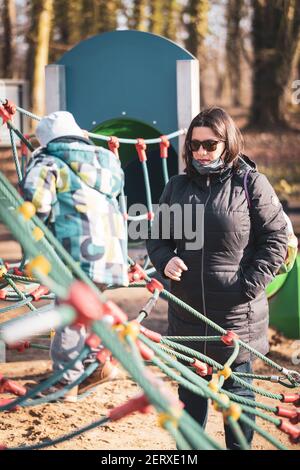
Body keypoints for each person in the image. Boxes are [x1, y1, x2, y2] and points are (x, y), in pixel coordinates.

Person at [146, 106, 288, 449]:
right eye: (194, 145)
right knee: (190, 404)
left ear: (228, 143)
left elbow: (276, 239)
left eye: (210, 145)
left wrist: (248, 286)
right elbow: (157, 238)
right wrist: (165, 260)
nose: (200, 152)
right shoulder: (177, 187)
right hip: (187, 317)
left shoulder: (250, 184)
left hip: (236, 321)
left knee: (238, 403)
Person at [21, 111, 128, 402]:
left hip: (76, 252)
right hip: (111, 254)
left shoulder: (49, 161)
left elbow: (36, 203)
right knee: (88, 311)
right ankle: (97, 366)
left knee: (68, 313)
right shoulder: (106, 162)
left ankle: (65, 381)